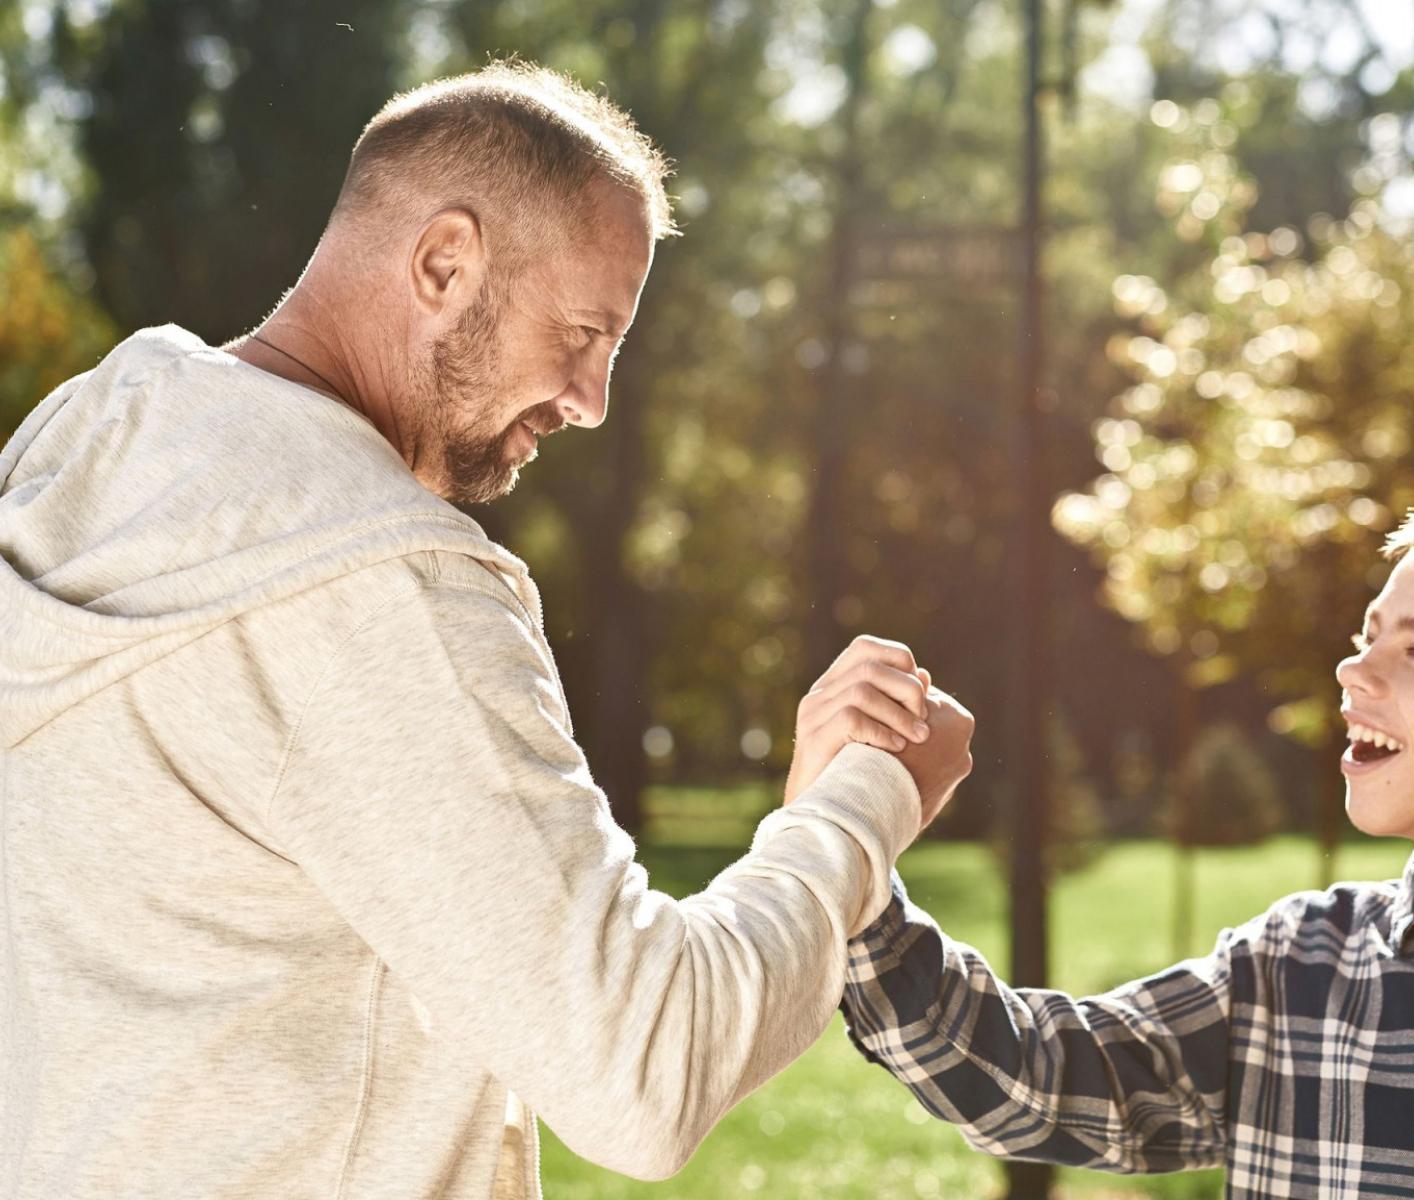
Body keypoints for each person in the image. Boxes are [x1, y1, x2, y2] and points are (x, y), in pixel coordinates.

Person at [0, 62, 974, 1199]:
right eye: (583, 330)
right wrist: (861, 805)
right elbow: (639, 1070)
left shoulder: (83, 451)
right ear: (444, 262)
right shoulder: (380, 580)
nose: (592, 397)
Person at [842, 496, 1414, 1198]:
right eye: (1370, 636)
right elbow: (1032, 1076)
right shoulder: (1292, 965)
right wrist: (847, 847)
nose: (1352, 670)